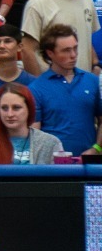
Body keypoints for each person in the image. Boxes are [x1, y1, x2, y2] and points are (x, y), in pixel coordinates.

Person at [23, 24, 99, 154]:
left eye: (75, 48)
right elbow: (34, 135)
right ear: (50, 53)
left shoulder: (92, 81)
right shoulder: (36, 89)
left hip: (89, 164)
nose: (73, 55)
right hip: (53, 167)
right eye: (66, 50)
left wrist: (97, 149)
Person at [0, 82, 64, 164]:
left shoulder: (50, 143)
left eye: (16, 108)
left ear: (29, 109)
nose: (10, 114)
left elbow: (60, 182)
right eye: (4, 108)